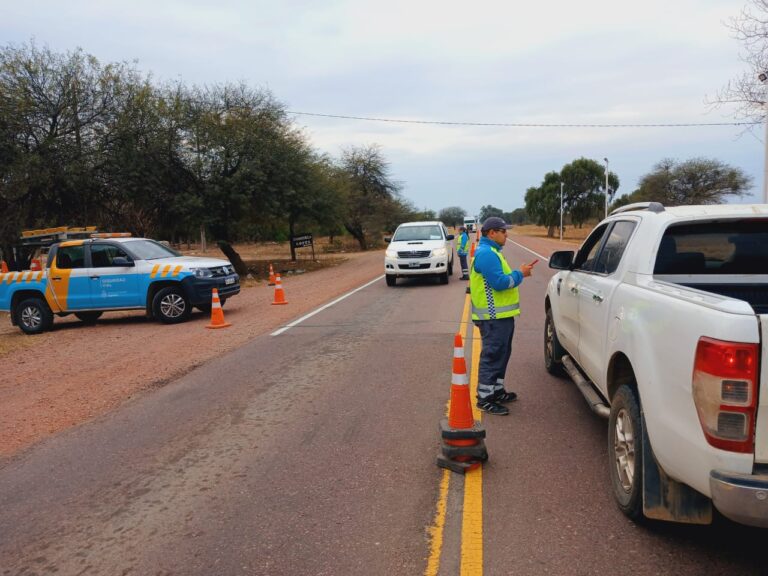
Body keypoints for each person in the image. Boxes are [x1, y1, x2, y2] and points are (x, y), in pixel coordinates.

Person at [470, 216, 535, 415]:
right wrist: (520, 274)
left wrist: (518, 274)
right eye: (503, 231)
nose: (506, 235)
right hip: (492, 318)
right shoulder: (487, 254)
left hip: (500, 317)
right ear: (492, 233)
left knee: (502, 354)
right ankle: (485, 397)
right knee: (493, 355)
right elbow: (499, 283)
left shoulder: (493, 252)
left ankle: (496, 391)